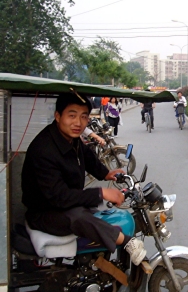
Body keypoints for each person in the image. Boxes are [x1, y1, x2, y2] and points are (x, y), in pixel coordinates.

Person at [21, 92, 146, 265]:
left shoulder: (70, 138)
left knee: (94, 209)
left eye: (83, 117)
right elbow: (60, 197)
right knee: (79, 216)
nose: (78, 123)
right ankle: (126, 242)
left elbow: (86, 155)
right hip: (45, 212)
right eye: (71, 115)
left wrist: (105, 173)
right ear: (58, 116)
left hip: (62, 204)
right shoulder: (44, 149)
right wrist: (101, 192)